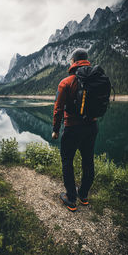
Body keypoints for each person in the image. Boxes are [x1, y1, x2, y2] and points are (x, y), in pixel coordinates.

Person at [52, 48, 98, 212]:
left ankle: (71, 198)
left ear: (73, 61)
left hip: (72, 128)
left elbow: (58, 109)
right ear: (86, 60)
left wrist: (56, 129)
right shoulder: (96, 79)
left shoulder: (66, 82)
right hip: (92, 126)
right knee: (88, 160)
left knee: (67, 161)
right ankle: (83, 196)